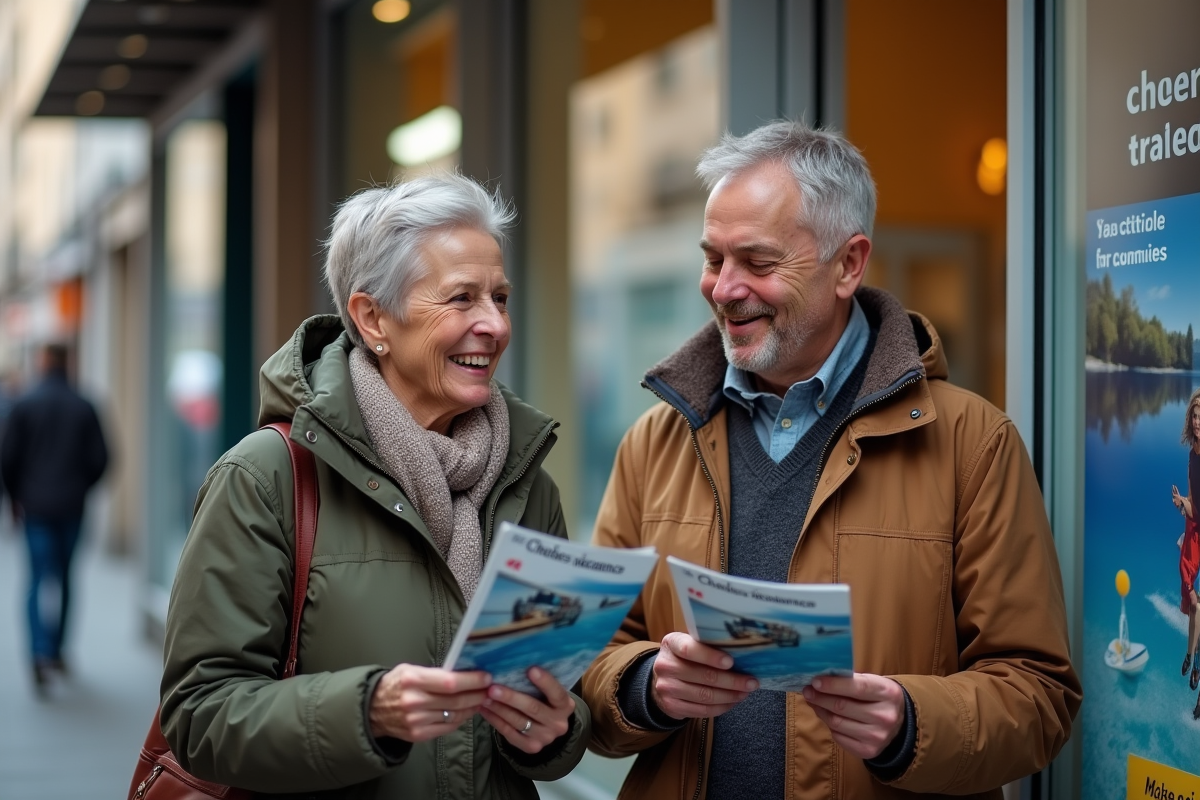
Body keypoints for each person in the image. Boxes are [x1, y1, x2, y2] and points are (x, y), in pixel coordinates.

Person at [580, 121, 1081, 799]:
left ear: (849, 264)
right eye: (713, 258)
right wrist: (645, 686)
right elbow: (588, 665)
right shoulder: (654, 441)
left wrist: (911, 725)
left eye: (756, 262)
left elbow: (1038, 695)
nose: (723, 288)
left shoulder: (974, 444)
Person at [160, 174, 589, 799]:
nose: (494, 324)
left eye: (500, 297)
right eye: (461, 298)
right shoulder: (266, 476)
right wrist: (367, 711)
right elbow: (198, 716)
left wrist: (555, 729)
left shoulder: (528, 481)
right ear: (372, 318)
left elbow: (559, 707)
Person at [0, 343, 109, 692]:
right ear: (69, 362)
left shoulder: (24, 405)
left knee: (35, 579)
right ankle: (58, 650)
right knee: (64, 578)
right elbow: (103, 458)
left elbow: (8, 459)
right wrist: (81, 488)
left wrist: (15, 499)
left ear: (42, 363)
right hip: (71, 507)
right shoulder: (84, 405)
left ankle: (38, 653)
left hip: (35, 507)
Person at [1170, 387, 1200, 713]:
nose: (1196, 421)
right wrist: (1182, 504)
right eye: (1194, 415)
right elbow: (1195, 507)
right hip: (1195, 531)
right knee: (1193, 601)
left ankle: (1196, 666)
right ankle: (1191, 656)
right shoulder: (1192, 456)